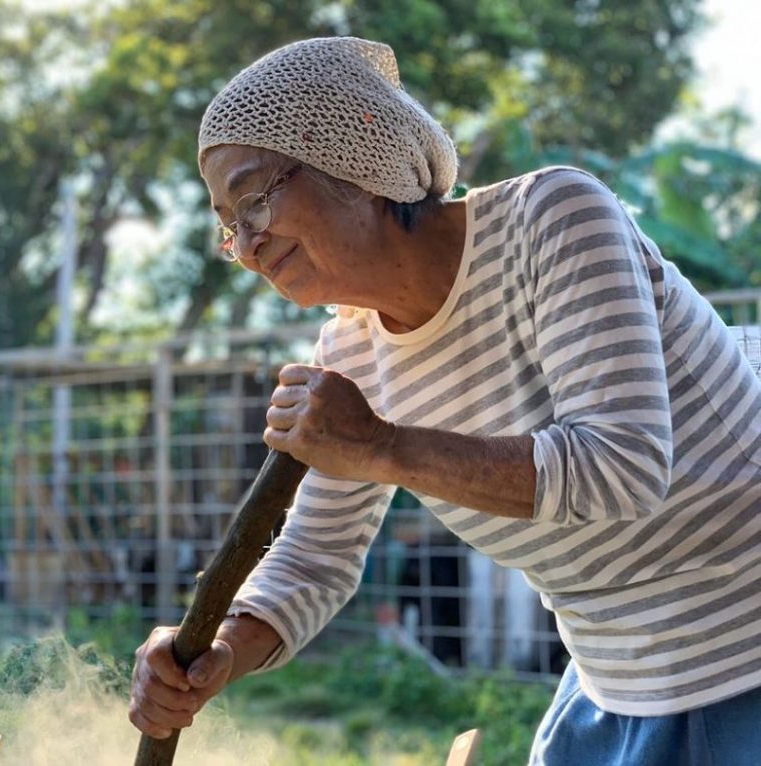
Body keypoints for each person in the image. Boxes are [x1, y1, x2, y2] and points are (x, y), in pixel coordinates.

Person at [127, 37, 761, 765]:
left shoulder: (552, 220)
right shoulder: (348, 355)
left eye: (254, 201)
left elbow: (623, 468)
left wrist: (381, 446)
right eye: (228, 226)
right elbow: (314, 561)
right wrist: (216, 653)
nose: (245, 244)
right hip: (617, 684)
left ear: (355, 162)